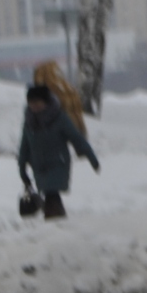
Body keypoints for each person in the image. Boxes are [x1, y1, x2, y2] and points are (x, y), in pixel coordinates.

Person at [17, 83, 99, 220]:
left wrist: (91, 157)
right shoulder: (29, 121)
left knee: (51, 194)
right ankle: (57, 223)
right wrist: (22, 167)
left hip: (57, 163)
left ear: (45, 101)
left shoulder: (59, 118)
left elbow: (76, 137)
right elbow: (24, 145)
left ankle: (55, 224)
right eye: (31, 102)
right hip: (39, 166)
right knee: (50, 196)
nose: (34, 106)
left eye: (37, 102)